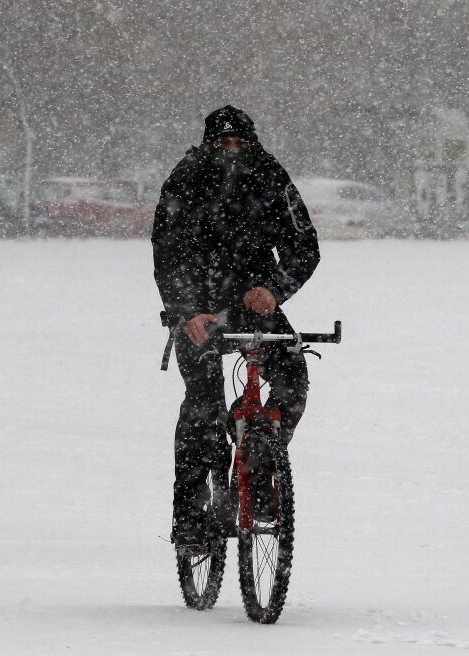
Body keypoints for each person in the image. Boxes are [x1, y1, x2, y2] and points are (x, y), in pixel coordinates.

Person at [152, 105, 320, 553]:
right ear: (208, 145)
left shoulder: (271, 177)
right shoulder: (184, 179)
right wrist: (186, 311)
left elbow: (305, 246)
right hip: (200, 308)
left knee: (294, 379)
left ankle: (260, 467)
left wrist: (274, 288)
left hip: (252, 302)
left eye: (239, 144)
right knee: (202, 407)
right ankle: (190, 517)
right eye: (222, 145)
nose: (231, 152)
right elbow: (167, 254)